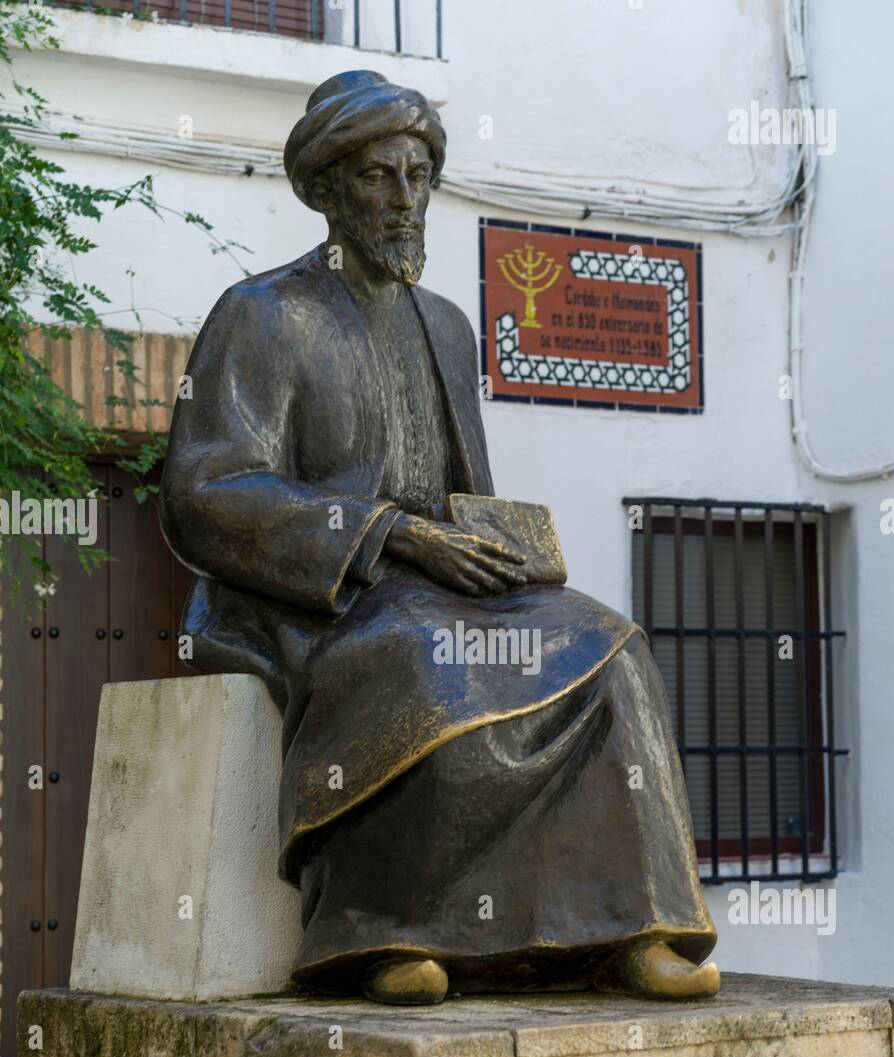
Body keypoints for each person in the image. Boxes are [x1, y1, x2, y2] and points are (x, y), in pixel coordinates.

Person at [160, 70, 719, 1005]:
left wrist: (503, 553)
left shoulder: (449, 328)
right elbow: (206, 492)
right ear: (329, 190)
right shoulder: (261, 314)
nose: (405, 198)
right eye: (380, 177)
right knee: (430, 659)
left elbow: (466, 498)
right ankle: (379, 932)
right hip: (316, 597)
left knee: (606, 647)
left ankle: (630, 924)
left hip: (436, 583)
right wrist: (389, 536)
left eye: (419, 176)